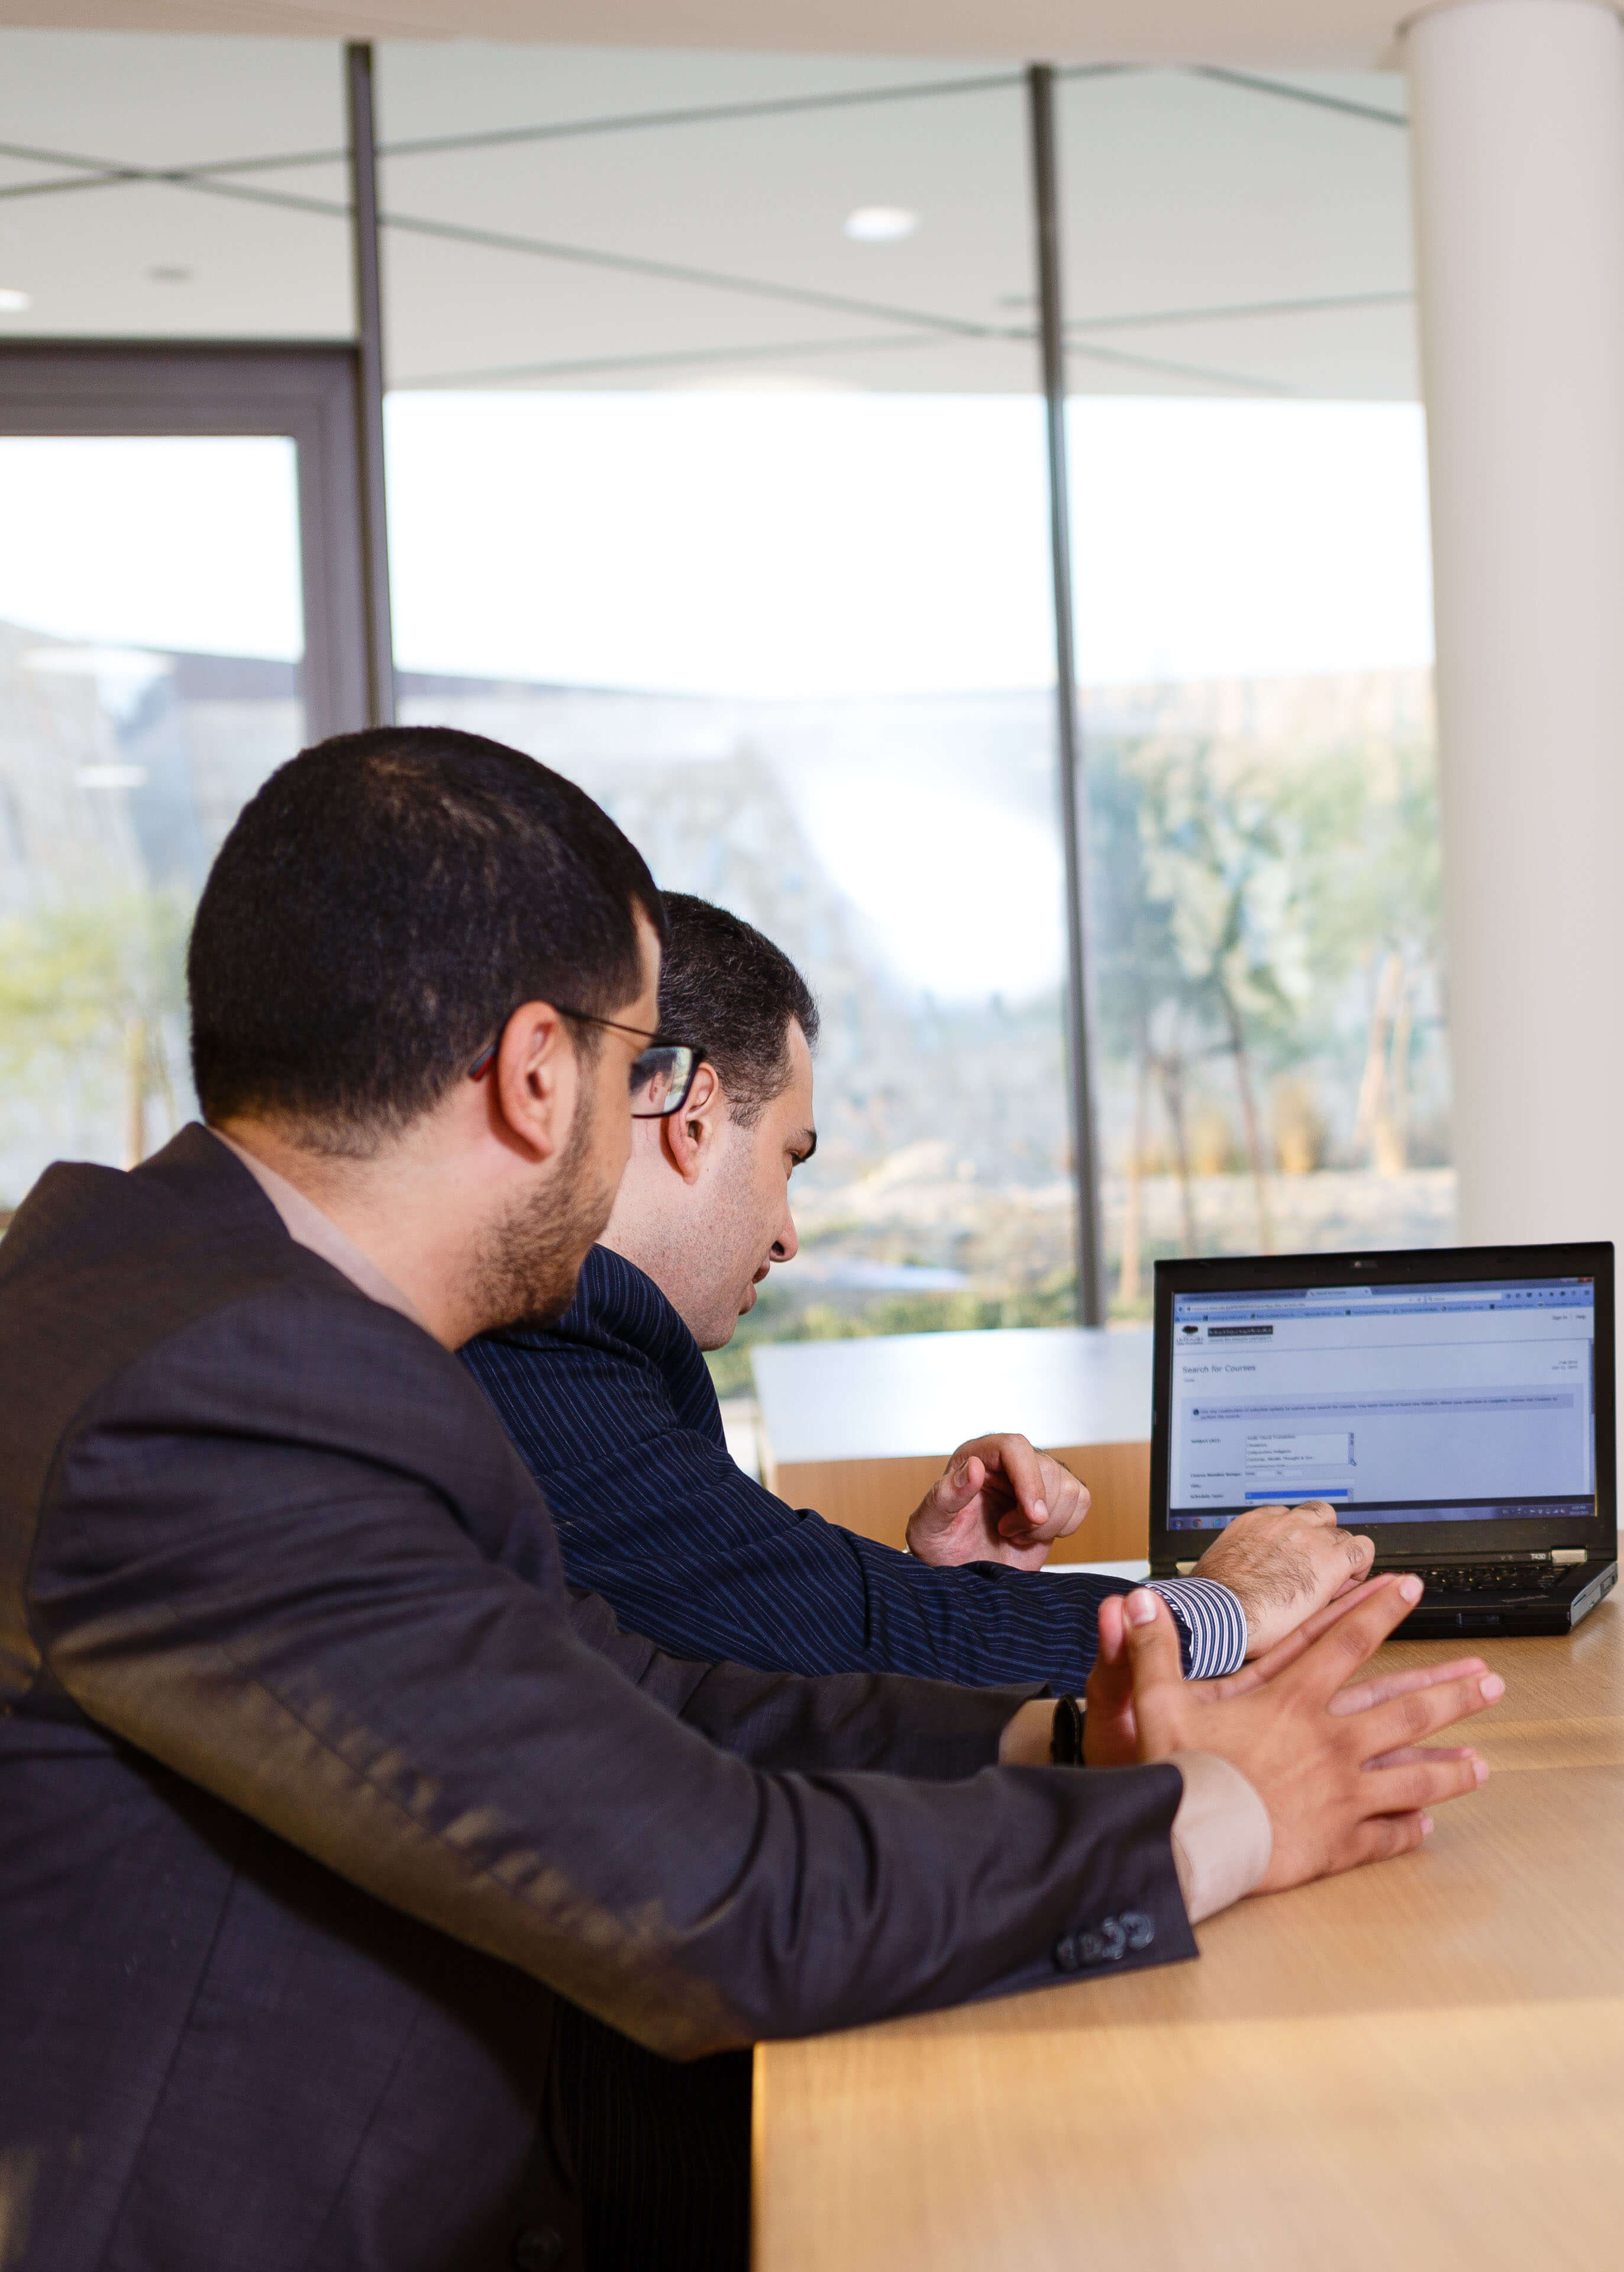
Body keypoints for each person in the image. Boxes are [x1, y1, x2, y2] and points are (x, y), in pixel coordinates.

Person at [0, 727, 1503, 2270]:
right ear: (535, 1076)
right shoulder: (235, 1394)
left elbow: (639, 1695)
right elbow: (717, 1903)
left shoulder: (178, 1303)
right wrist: (1239, 1810)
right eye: (636, 1062)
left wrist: (1064, 1734)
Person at [462, 892, 1357, 1692]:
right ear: (694, 1117)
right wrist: (1221, 1606)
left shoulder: (586, 1343)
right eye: (789, 1158)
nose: (787, 1232)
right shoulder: (539, 1346)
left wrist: (932, 1584)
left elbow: (735, 1626)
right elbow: (819, 1625)